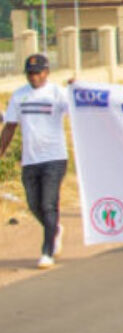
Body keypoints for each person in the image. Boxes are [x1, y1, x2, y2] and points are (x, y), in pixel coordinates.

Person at [0, 54, 69, 269]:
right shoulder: (19, 96)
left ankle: (47, 251)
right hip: (30, 159)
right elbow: (10, 126)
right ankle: (55, 230)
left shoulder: (57, 93)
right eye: (30, 73)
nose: (34, 77)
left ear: (46, 72)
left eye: (38, 72)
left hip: (55, 158)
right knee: (34, 205)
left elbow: (78, 110)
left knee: (48, 204)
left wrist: (77, 90)